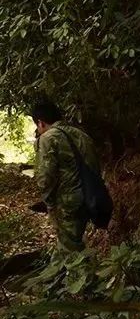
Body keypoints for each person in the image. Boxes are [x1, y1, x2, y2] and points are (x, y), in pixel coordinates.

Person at [30, 98, 101, 254]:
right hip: (90, 197)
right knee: (72, 241)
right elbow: (95, 166)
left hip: (67, 203)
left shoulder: (48, 138)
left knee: (71, 249)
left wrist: (48, 202)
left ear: (40, 122)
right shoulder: (82, 135)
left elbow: (45, 177)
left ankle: (83, 275)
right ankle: (62, 273)